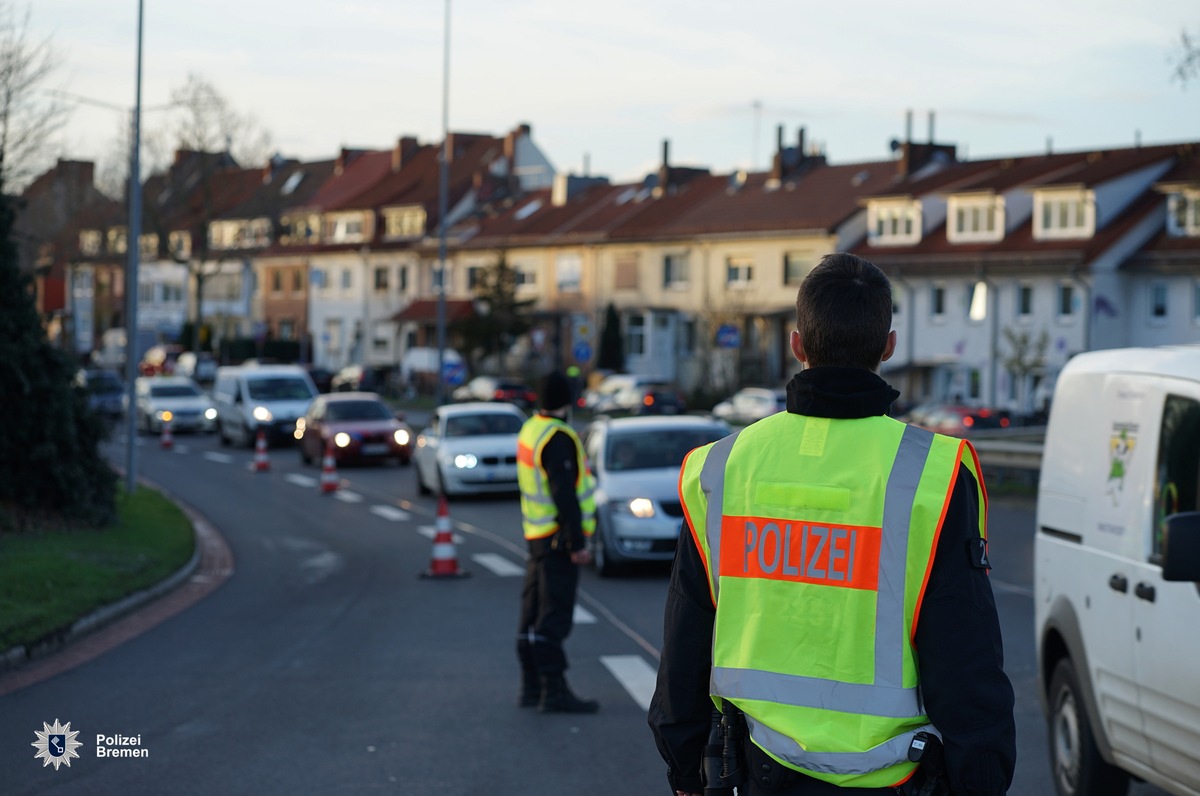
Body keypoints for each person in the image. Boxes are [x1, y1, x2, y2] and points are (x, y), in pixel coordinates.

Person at [648, 252, 1016, 795]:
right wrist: (980, 779)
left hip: (757, 770)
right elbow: (966, 657)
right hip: (893, 779)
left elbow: (687, 631)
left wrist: (684, 767)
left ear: (797, 345)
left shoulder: (722, 468)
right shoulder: (932, 475)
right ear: (887, 346)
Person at [515, 370, 600, 713]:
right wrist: (577, 543)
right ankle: (554, 692)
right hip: (557, 540)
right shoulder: (559, 438)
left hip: (537, 538)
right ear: (567, 400)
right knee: (553, 617)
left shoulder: (531, 429)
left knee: (531, 615)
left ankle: (531, 687)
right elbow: (565, 495)